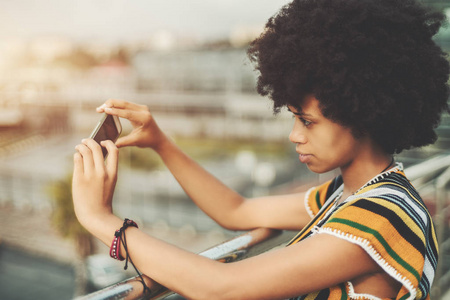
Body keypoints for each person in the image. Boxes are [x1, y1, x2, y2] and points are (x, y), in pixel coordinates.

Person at [72, 0, 449, 299]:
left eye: (307, 121)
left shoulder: (380, 217)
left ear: (363, 113)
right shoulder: (353, 195)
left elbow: (221, 288)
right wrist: (160, 142)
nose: (294, 136)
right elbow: (237, 211)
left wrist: (100, 219)